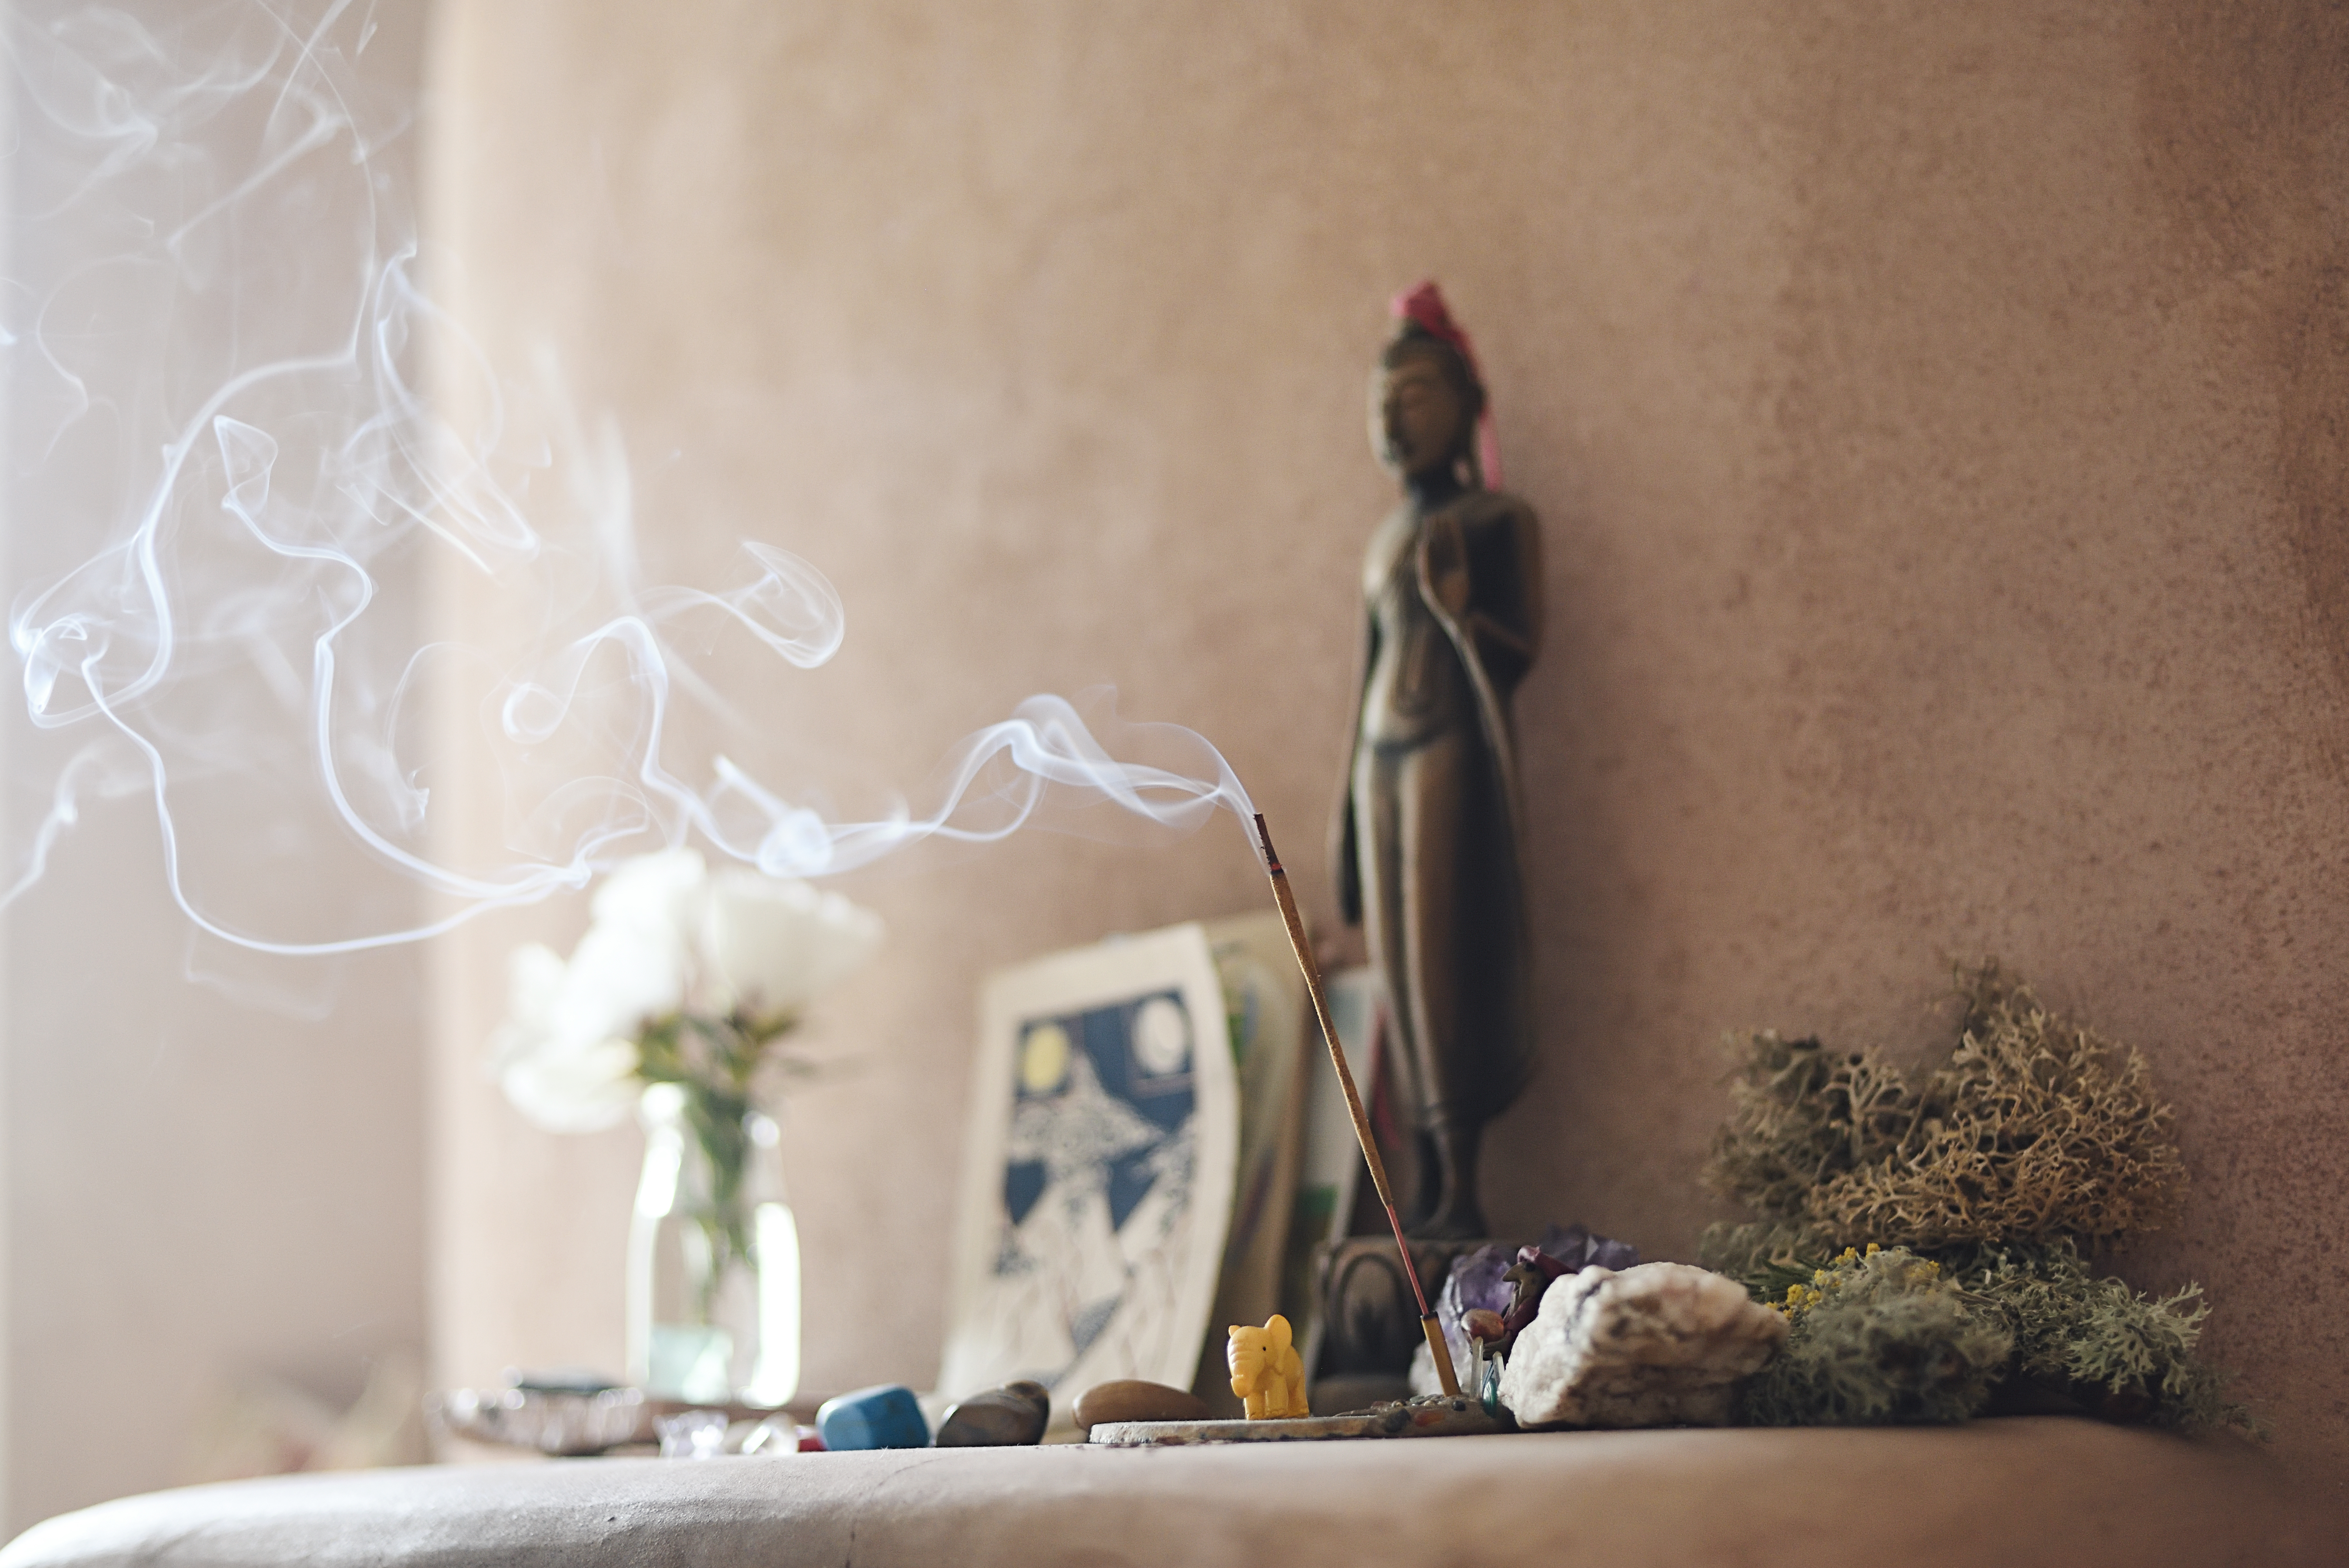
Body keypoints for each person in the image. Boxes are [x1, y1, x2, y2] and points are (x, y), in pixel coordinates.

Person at [1333, 282, 1541, 1240]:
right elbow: (1366, 669)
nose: (1392, 417)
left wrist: (1462, 612)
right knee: (1397, 970)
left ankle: (1459, 1177)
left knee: (1443, 954)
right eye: (1381, 401)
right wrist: (1341, 816)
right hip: (1381, 751)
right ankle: (1420, 1177)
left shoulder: (1499, 522)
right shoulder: (1381, 539)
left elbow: (1522, 649)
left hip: (1448, 743)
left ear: (1463, 407)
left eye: (1414, 395)